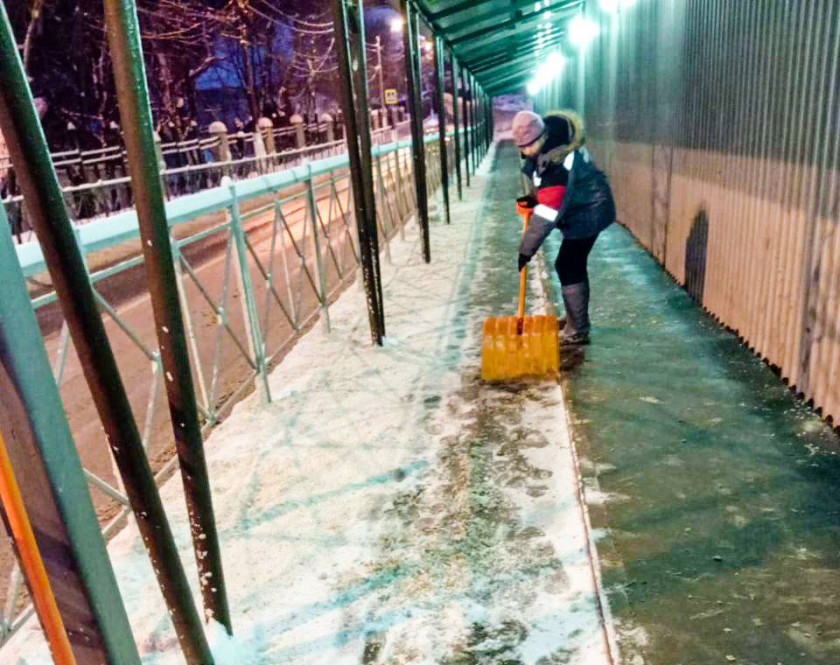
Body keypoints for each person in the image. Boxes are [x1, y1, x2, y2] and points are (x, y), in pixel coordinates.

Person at [512, 110, 615, 345]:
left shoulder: (558, 164)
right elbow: (542, 182)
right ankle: (574, 320)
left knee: (569, 264)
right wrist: (534, 197)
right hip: (579, 206)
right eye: (522, 147)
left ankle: (578, 329)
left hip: (589, 210)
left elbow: (547, 213)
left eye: (528, 146)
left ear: (540, 137)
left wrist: (525, 250)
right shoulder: (550, 143)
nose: (525, 152)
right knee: (569, 264)